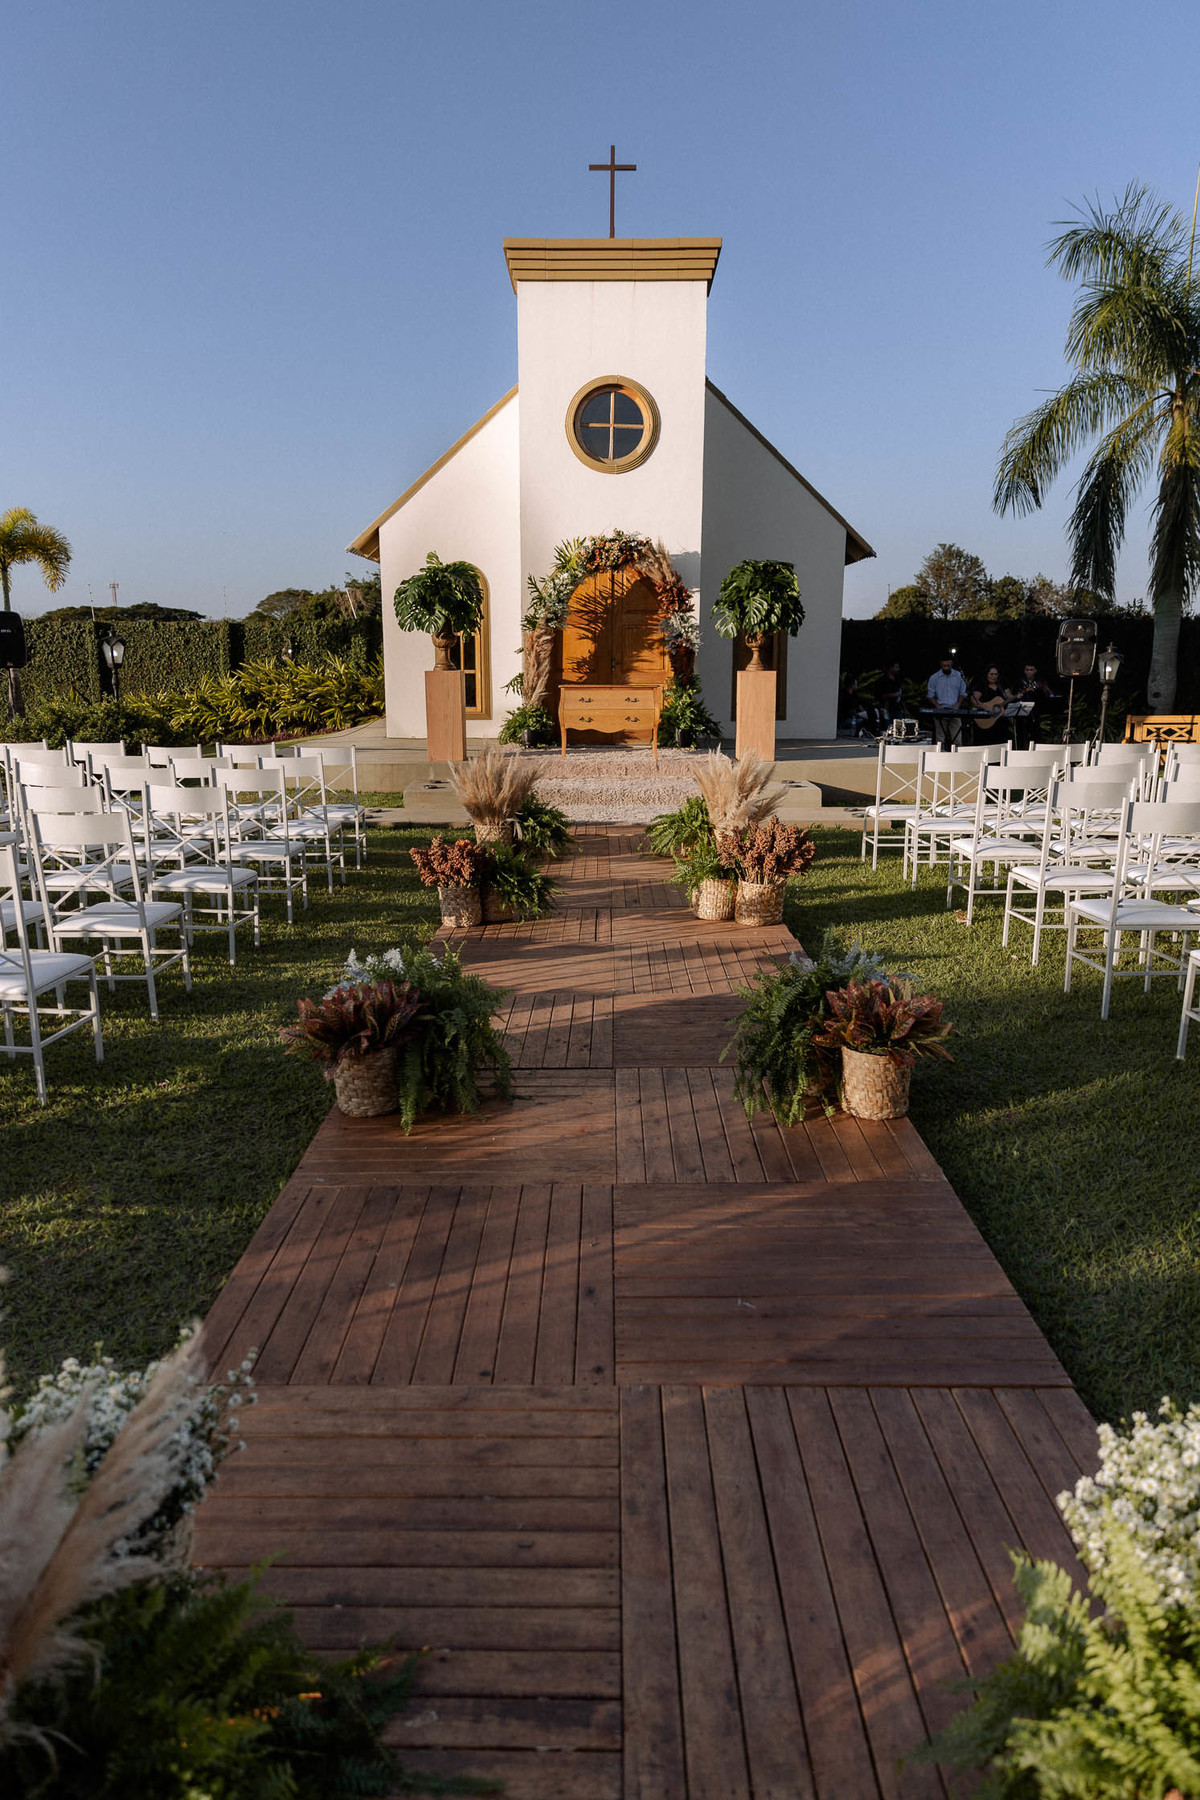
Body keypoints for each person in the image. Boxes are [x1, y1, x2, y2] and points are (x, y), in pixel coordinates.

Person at [1010, 662, 1059, 748]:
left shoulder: (1040, 682)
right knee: (1020, 736)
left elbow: (1048, 695)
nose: (1029, 672)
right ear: (1024, 671)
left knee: (1035, 736)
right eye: (1027, 670)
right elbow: (1012, 696)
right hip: (1021, 714)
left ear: (1035, 671)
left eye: (1031, 670)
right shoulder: (1019, 682)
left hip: (1035, 713)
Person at [926, 654, 968, 745]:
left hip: (955, 711)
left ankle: (957, 757)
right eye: (944, 666)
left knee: (957, 740)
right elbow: (930, 695)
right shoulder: (934, 678)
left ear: (952, 663)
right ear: (941, 664)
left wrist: (958, 705)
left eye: (948, 666)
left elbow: (963, 693)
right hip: (940, 711)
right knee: (940, 740)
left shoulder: (958, 676)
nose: (946, 668)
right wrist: (937, 706)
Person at [970, 664, 1010, 744]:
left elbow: (1009, 697)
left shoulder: (1001, 687)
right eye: (991, 674)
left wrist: (1018, 695)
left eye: (995, 674)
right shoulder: (981, 686)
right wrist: (985, 707)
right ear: (987, 675)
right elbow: (973, 700)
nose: (993, 676)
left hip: (999, 722)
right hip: (985, 720)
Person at [839, 673, 872, 738]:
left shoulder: (854, 695)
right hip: (846, 719)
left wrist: (865, 713)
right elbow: (849, 710)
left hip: (855, 717)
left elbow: (860, 706)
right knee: (860, 721)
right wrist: (858, 714)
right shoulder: (843, 695)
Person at [876, 662, 907, 727]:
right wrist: (892, 695)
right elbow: (878, 695)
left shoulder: (897, 679)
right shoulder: (882, 680)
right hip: (886, 708)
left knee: (900, 727)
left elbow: (901, 694)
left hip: (897, 708)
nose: (898, 669)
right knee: (888, 727)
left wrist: (904, 709)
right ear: (890, 668)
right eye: (896, 667)